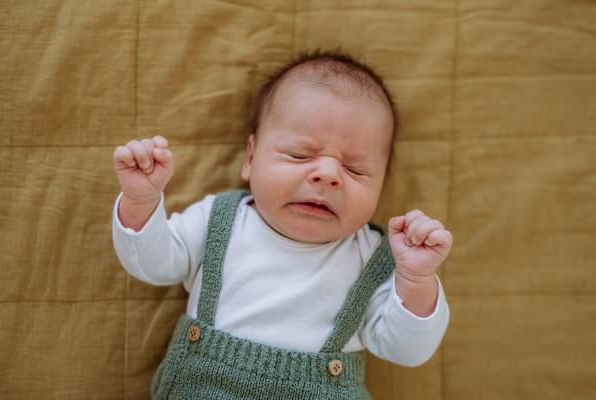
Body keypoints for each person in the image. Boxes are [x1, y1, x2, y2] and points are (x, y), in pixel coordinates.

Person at [112, 51, 452, 399]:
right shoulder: (220, 219)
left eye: (355, 170)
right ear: (250, 158)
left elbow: (407, 351)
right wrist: (141, 202)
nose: (328, 175)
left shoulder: (373, 256)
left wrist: (416, 280)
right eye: (300, 155)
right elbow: (152, 264)